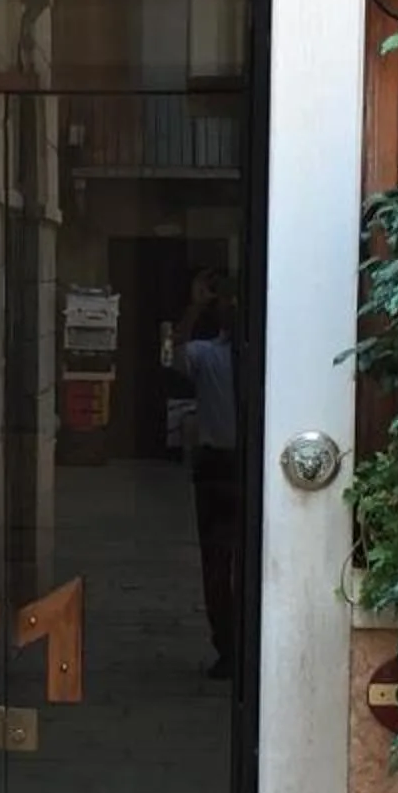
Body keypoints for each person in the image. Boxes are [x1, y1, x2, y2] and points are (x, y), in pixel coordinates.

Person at [179, 279, 243, 682]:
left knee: (234, 564)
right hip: (221, 465)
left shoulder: (261, 359)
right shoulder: (207, 355)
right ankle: (229, 645)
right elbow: (174, 356)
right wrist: (194, 310)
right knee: (219, 566)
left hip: (234, 465)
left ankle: (240, 644)